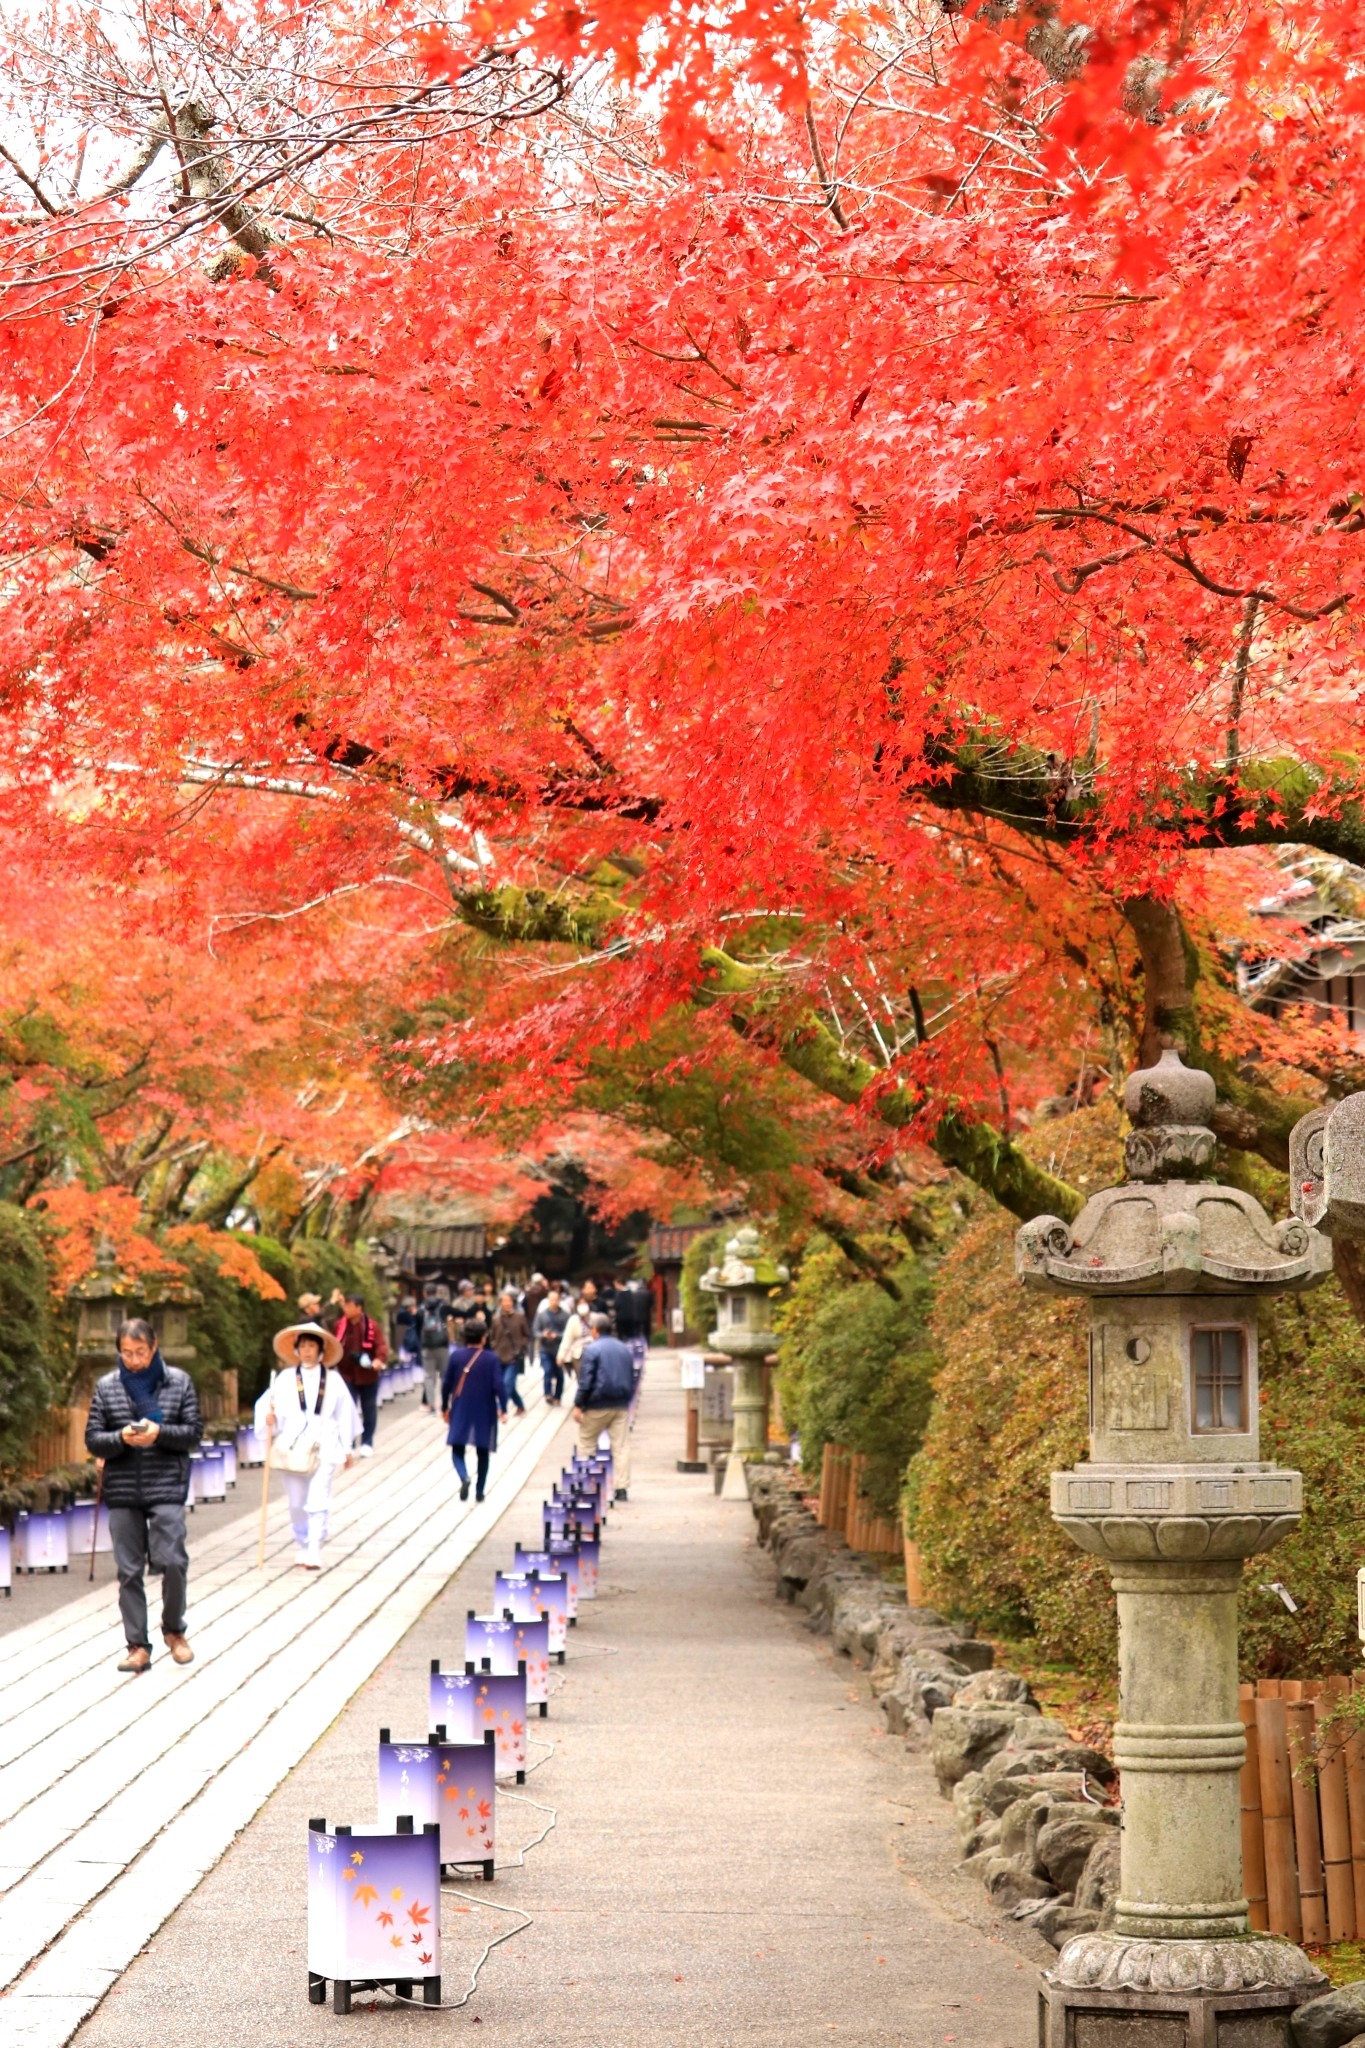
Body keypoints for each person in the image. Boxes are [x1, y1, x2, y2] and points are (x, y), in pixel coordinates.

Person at [85, 1317, 203, 1674]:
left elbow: (194, 1433)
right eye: (126, 1352)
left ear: (153, 1348)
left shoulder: (179, 1382)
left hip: (165, 1481)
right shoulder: (107, 1387)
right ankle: (137, 1645)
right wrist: (120, 1437)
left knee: (173, 1560)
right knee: (129, 1570)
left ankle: (174, 1630)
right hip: (122, 1485)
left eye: (139, 1352)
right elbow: (93, 1438)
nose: (133, 1359)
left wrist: (160, 1433)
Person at [255, 1322, 358, 1569]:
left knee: (318, 1496)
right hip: (293, 1443)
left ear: (321, 1350)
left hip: (325, 1441)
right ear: (297, 1350)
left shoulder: (333, 1380)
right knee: (296, 1501)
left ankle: (314, 1547)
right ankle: (302, 1541)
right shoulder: (285, 1378)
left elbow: (344, 1415)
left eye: (312, 1346)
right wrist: (270, 1419)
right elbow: (268, 1406)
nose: (308, 1351)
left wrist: (347, 1447)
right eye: (303, 1346)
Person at [573, 1313, 635, 1501]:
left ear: (595, 1330)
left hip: (596, 1404)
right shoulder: (624, 1349)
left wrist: (578, 1404)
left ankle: (587, 1485)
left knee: (586, 1442)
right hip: (620, 1404)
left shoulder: (591, 1350)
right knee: (621, 1446)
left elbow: (586, 1381)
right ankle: (622, 1488)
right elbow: (630, 1376)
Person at [442, 1319, 504, 1502]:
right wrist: (504, 1407)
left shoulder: (456, 1357)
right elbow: (499, 1384)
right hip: (485, 1408)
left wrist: (445, 1406)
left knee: (457, 1447)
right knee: (483, 1450)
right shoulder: (491, 1358)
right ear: (484, 1338)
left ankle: (464, 1476)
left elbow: (446, 1384)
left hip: (461, 1405)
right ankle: (480, 1491)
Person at [333, 1292, 387, 1456]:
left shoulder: (372, 1326)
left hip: (368, 1374)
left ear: (359, 1308)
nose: (347, 1310)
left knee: (369, 1408)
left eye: (350, 1306)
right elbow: (333, 1344)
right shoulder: (340, 1325)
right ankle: (348, 1442)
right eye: (346, 1306)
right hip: (346, 1373)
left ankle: (367, 1442)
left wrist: (379, 1359)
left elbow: (381, 1346)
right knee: (347, 1409)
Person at [490, 1288, 530, 1418]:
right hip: (499, 1356)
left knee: (507, 1383)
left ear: (512, 1302)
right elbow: (492, 1337)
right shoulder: (496, 1319)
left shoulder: (519, 1317)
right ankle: (520, 1405)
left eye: (509, 1301)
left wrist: (521, 1347)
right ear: (501, 1303)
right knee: (507, 1386)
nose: (507, 1304)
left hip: (514, 1356)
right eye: (504, 1301)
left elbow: (526, 1335)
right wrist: (494, 1348)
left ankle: (500, 1408)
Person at [416, 1282, 450, 1413]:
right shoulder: (443, 1306)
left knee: (429, 1376)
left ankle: (431, 1405)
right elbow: (446, 1322)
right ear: (436, 1292)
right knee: (444, 1375)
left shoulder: (420, 1309)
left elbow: (418, 1328)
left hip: (427, 1347)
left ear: (424, 1293)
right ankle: (445, 1403)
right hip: (442, 1345)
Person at [533, 1285, 570, 1405]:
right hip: (545, 1347)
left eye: (556, 1299)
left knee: (559, 1374)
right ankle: (548, 1393)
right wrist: (543, 1334)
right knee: (547, 1371)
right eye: (551, 1299)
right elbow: (535, 1330)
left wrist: (557, 1335)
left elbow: (568, 1332)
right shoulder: (542, 1315)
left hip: (559, 1348)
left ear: (559, 1300)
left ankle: (558, 1396)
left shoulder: (565, 1315)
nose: (554, 1302)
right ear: (548, 1300)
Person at [556, 1295, 591, 1385]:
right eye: (580, 1304)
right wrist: (561, 1356)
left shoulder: (594, 1318)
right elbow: (567, 1338)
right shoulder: (573, 1320)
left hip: (593, 1351)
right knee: (582, 1381)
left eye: (584, 1303)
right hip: (578, 1353)